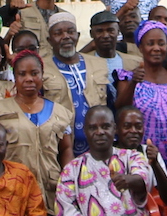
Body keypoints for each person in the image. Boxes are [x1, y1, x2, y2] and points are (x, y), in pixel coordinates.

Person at [0, 51, 74, 207]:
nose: (29, 79)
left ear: (42, 75)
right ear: (15, 76)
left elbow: (66, 149)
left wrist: (68, 181)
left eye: (34, 73)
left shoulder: (60, 112)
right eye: (22, 74)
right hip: (12, 193)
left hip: (52, 193)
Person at [118, 23, 167, 192]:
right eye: (150, 43)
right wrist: (134, 82)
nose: (156, 48)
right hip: (142, 162)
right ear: (140, 47)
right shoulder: (128, 77)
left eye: (161, 43)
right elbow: (120, 110)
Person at [45, 10, 125, 153]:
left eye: (70, 32)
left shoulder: (98, 64)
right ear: (49, 40)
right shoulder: (42, 69)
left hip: (100, 148)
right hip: (60, 149)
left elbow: (110, 104)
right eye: (58, 33)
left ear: (77, 35)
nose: (66, 37)